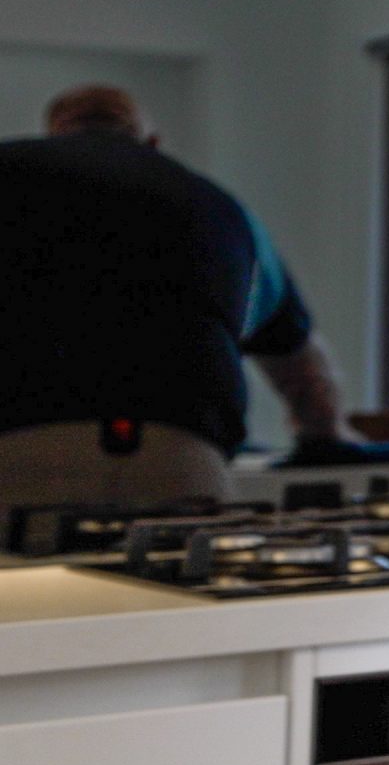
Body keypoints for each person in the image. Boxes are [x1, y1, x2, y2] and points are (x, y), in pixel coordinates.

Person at [0, 84, 346, 519]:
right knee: (182, 563)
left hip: (16, 446)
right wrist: (321, 440)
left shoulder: (12, 170)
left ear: (53, 133)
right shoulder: (222, 208)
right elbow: (306, 374)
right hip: (183, 458)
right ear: (151, 144)